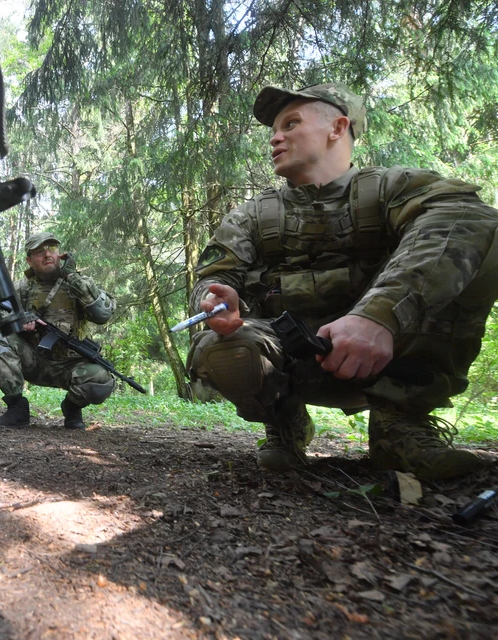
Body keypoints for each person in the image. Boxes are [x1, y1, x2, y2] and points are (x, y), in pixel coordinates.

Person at [187, 83, 498, 481]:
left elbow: (468, 218)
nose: (275, 137)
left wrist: (379, 316)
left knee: (476, 244)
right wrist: (215, 298)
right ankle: (284, 424)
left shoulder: (392, 188)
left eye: (291, 123)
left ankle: (400, 427)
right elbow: (214, 276)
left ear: (337, 128)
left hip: (394, 356)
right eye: (273, 131)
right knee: (220, 346)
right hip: (293, 361)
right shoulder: (251, 216)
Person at [0, 232, 117, 429]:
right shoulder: (20, 288)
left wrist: (73, 277)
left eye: (52, 249)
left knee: (102, 381)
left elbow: (103, 314)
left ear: (59, 253)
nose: (47, 255)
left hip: (71, 366)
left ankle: (72, 407)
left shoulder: (79, 284)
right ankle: (17, 408)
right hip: (33, 360)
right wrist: (16, 321)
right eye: (39, 252)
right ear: (29, 260)